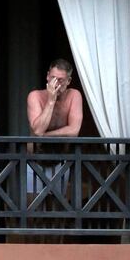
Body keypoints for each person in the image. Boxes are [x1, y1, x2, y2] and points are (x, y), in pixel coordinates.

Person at [26, 58, 83, 199]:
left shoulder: (74, 95)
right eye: (53, 78)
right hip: (35, 160)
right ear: (47, 76)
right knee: (32, 210)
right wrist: (51, 101)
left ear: (68, 81)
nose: (56, 83)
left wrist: (46, 135)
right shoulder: (35, 96)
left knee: (57, 211)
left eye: (61, 80)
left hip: (60, 160)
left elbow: (74, 130)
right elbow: (38, 130)